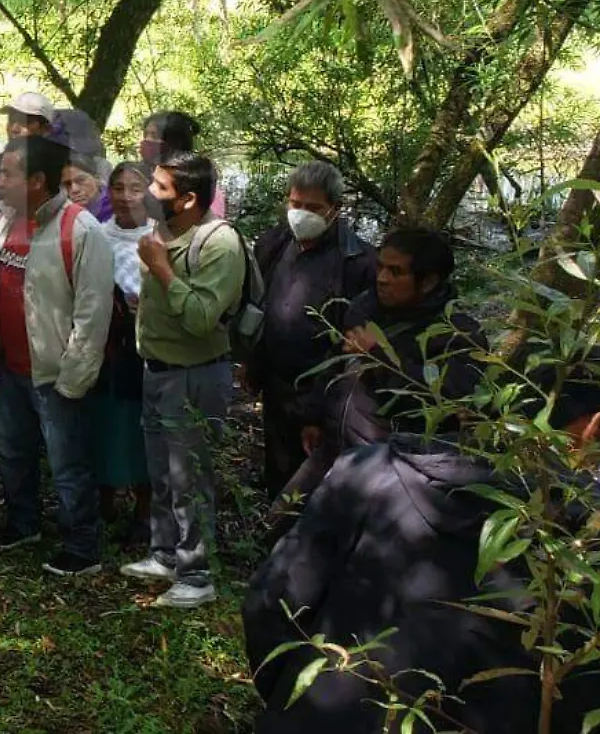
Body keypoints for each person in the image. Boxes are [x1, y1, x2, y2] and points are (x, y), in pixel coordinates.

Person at [243, 382, 600, 734]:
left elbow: (273, 602)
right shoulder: (581, 548)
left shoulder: (373, 473)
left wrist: (289, 702)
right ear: (592, 426)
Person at [0, 135, 114, 577]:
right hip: (10, 366)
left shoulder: (82, 230)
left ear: (36, 180)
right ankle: (23, 524)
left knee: (68, 462)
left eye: (8, 173)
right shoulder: (5, 221)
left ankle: (82, 546)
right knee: (13, 452)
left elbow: (93, 313)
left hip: (55, 373)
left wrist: (74, 377)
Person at [120, 151, 247, 608]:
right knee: (162, 473)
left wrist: (161, 269)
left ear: (190, 198)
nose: (149, 195)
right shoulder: (165, 231)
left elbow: (200, 318)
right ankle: (166, 556)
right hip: (157, 369)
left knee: (189, 478)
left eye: (160, 188)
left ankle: (197, 576)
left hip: (194, 376)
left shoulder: (219, 243)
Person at [281, 226, 486, 504]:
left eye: (396, 272)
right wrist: (314, 416)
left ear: (427, 282)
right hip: (333, 447)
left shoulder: (456, 335)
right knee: (282, 519)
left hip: (388, 469)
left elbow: (447, 405)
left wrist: (378, 357)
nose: (382, 278)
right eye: (380, 267)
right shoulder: (367, 306)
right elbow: (335, 363)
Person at [247, 161, 377, 498]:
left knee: (315, 478)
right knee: (278, 466)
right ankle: (273, 537)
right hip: (276, 383)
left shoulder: (358, 261)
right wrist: (252, 363)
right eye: (296, 204)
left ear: (335, 209)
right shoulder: (274, 244)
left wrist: (321, 408)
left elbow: (355, 342)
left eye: (313, 207)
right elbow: (258, 306)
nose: (301, 214)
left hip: (324, 390)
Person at [94, 162, 155, 546]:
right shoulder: (96, 235)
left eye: (135, 188)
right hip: (105, 347)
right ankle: (104, 503)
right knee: (104, 424)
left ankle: (145, 511)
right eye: (118, 187)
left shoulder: (161, 237)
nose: (126, 196)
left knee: (141, 429)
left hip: (147, 351)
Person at [0, 93, 55, 222]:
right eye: (12, 120)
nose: (14, 128)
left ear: (46, 129)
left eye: (25, 122)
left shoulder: (63, 169)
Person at [139, 110, 225, 217]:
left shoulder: (204, 188)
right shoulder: (136, 177)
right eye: (145, 135)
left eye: (154, 136)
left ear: (176, 142)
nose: (147, 141)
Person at [62, 151, 113, 224]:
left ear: (97, 178)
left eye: (81, 180)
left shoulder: (120, 208)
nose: (74, 189)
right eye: (67, 184)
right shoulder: (63, 214)